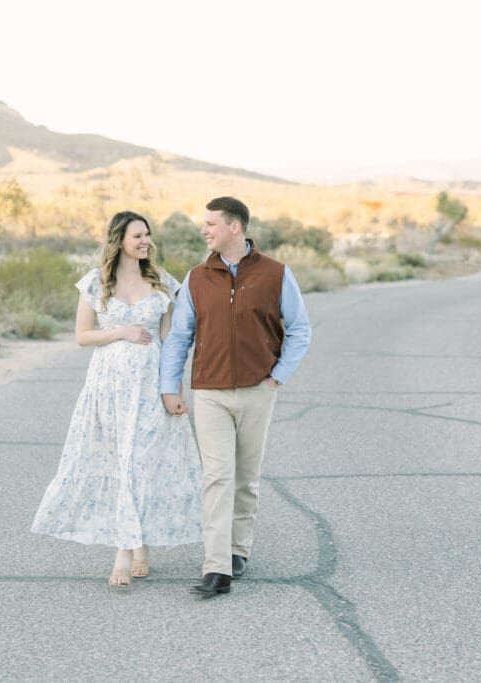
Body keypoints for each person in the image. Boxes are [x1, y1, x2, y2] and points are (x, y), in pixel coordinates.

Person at [31, 210, 203, 587]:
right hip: (108, 388)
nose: (145, 242)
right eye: (138, 236)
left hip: (148, 389)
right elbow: (82, 335)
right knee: (120, 462)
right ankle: (136, 544)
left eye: (147, 235)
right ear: (119, 241)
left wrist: (172, 389)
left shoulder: (161, 284)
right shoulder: (96, 283)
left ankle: (125, 552)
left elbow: (171, 342)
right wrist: (121, 331)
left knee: (140, 462)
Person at [160, 196, 312, 598]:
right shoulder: (196, 277)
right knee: (216, 477)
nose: (204, 230)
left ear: (235, 227)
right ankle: (217, 566)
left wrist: (277, 377)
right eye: (204, 224)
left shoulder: (277, 274)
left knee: (246, 477)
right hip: (209, 391)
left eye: (211, 224)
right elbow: (179, 338)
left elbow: (300, 330)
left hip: (257, 390)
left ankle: (238, 549)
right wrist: (168, 387)